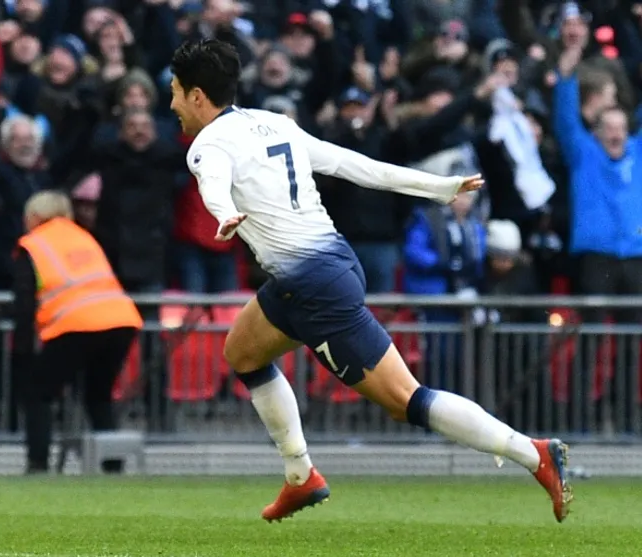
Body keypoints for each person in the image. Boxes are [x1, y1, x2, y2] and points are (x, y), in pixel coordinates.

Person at [169, 39, 573, 523]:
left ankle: (534, 453)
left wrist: (223, 212)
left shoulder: (208, 145)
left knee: (406, 401)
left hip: (317, 287)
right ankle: (300, 476)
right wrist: (434, 187)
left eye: (175, 92)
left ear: (197, 95)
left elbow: (214, 182)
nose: (171, 104)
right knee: (242, 352)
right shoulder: (273, 124)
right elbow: (354, 165)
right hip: (324, 267)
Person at [12, 191, 143, 474]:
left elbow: (24, 301)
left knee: (38, 393)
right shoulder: (85, 237)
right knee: (99, 395)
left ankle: (37, 464)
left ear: (34, 216)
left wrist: (21, 349)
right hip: (121, 320)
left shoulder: (33, 245)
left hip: (74, 323)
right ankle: (112, 466)